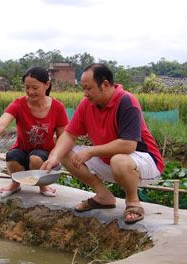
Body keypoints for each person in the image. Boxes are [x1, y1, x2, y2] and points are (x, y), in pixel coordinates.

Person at [41, 63, 164, 224]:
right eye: (83, 89)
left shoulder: (127, 102)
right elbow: (70, 135)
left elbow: (128, 145)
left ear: (105, 84)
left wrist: (91, 151)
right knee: (64, 152)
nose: (85, 94)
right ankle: (103, 196)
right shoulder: (87, 104)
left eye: (89, 88)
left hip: (143, 160)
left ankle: (133, 202)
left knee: (118, 160)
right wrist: (53, 157)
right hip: (110, 160)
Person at [0, 67, 69, 198]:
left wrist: (55, 156)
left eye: (35, 88)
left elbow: (63, 137)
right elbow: (1, 124)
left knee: (35, 158)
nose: (30, 91)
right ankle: (15, 183)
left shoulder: (58, 107)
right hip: (22, 150)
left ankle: (43, 185)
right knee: (12, 156)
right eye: (27, 87)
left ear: (46, 85)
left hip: (44, 154)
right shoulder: (18, 104)